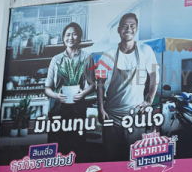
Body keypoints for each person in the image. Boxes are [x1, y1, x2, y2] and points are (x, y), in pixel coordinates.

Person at [97, 13, 159, 160]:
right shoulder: (108, 54)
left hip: (135, 116)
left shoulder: (145, 51)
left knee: (133, 159)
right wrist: (100, 107)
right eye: (124, 26)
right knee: (111, 158)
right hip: (111, 116)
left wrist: (149, 100)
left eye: (132, 25)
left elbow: (154, 75)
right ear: (119, 30)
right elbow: (99, 82)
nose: (128, 29)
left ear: (136, 29)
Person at [44, 22, 95, 154]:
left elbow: (91, 84)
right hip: (58, 107)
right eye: (67, 35)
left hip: (77, 107)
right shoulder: (56, 59)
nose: (70, 37)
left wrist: (83, 93)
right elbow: (47, 88)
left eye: (74, 34)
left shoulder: (87, 57)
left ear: (79, 37)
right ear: (63, 38)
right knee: (57, 144)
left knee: (77, 144)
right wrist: (56, 96)